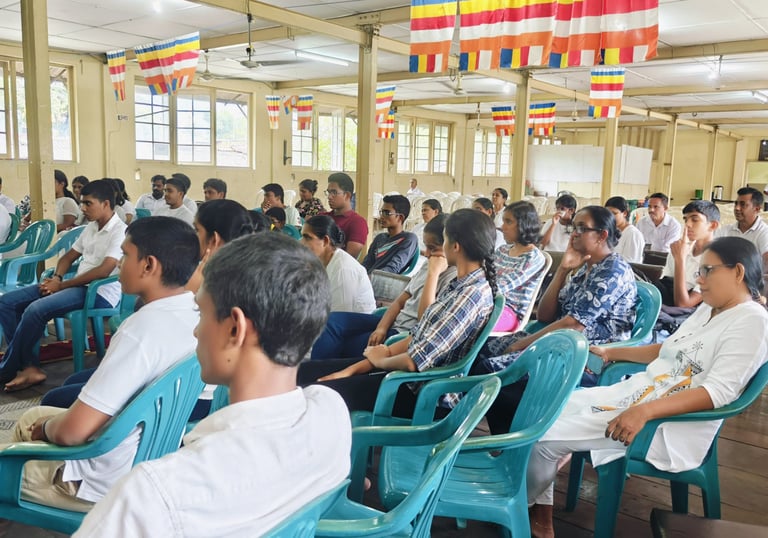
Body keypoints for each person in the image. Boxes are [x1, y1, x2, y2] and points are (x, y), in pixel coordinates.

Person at [75, 233, 352, 537]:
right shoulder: (332, 415)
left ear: (235, 328)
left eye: (201, 312)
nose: (196, 330)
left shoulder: (155, 495)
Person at [526, 237, 768, 538]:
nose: (698, 279)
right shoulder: (711, 308)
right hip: (641, 395)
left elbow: (717, 394)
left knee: (543, 437)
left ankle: (530, 512)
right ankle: (535, 508)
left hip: (666, 424)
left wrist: (644, 412)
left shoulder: (752, 321)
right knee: (544, 412)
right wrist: (612, 352)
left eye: (707, 270)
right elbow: (668, 349)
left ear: (738, 272)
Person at [0, 217, 199, 516]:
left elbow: (72, 433)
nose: (119, 264)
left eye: (126, 255)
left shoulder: (140, 330)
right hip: (154, 452)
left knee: (24, 443)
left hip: (101, 481)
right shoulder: (195, 312)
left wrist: (46, 430)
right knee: (35, 413)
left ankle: (25, 503)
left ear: (149, 266)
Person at [297, 208, 497, 414]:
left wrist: (380, 360)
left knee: (314, 393)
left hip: (420, 392)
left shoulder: (469, 296)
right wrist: (358, 367)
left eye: (443, 241)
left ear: (455, 247)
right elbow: (418, 336)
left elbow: (414, 362)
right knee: (304, 372)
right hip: (401, 373)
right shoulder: (460, 284)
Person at [474, 206, 637, 433]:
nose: (574, 234)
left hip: (586, 357)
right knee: (480, 352)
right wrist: (562, 270)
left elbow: (574, 324)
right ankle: (510, 437)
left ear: (602, 235)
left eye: (582, 228)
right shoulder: (585, 269)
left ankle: (516, 441)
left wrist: (523, 343)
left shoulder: (613, 271)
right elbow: (546, 315)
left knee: (492, 370)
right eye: (573, 227)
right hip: (558, 343)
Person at [0, 180, 127, 391]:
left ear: (106, 203)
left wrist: (64, 285)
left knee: (35, 309)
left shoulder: (120, 231)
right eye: (81, 203)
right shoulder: (91, 228)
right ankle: (28, 366)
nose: (82, 209)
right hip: (75, 286)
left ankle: (8, 368)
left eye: (88, 203)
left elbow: (104, 271)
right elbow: (67, 257)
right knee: (7, 302)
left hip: (98, 291)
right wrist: (57, 278)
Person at [311, 214, 457, 360]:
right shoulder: (429, 263)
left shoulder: (451, 277)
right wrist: (381, 327)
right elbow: (400, 301)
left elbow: (424, 319)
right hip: (394, 322)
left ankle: (314, 374)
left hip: (404, 334)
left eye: (433, 248)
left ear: (451, 247)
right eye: (426, 247)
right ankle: (314, 371)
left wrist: (434, 274)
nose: (427, 254)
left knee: (343, 344)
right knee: (330, 322)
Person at [300, 215, 375, 314]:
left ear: (325, 241)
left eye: (307, 238)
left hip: (355, 327)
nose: (301, 242)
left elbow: (339, 318)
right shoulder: (319, 262)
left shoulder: (343, 269)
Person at [494, 201, 547, 332]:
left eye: (508, 222)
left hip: (509, 313)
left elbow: (500, 287)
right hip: (487, 305)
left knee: (467, 319)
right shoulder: (502, 250)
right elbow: (484, 276)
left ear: (524, 225)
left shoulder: (533, 258)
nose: (502, 227)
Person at [657, 200, 720, 309]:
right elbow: (665, 286)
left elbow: (683, 304)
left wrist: (680, 259)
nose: (687, 224)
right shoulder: (679, 249)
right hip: (665, 309)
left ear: (712, 225)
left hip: (689, 317)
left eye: (695, 220)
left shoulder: (717, 260)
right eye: (685, 219)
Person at [186, 199, 255, 296]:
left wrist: (189, 292)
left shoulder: (211, 286)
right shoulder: (253, 272)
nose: (193, 235)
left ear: (214, 240)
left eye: (197, 230)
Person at [362, 194, 418, 275]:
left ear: (400, 217)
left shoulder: (409, 239)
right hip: (367, 281)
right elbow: (367, 263)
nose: (381, 216)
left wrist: (370, 278)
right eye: (381, 212)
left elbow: (393, 268)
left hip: (384, 282)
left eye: (387, 213)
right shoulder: (380, 238)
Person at [717, 187, 768, 269]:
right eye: (736, 203)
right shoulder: (726, 230)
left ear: (757, 209)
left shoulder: (764, 232)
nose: (737, 208)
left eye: (743, 204)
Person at [321, 172, 368, 259]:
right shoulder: (322, 217)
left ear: (347, 195)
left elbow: (348, 258)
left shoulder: (358, 223)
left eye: (334, 192)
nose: (329, 197)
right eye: (328, 192)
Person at [605, 196, 645, 263]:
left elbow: (631, 262)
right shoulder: (609, 231)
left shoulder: (633, 234)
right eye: (607, 213)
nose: (610, 217)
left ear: (625, 213)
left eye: (614, 213)